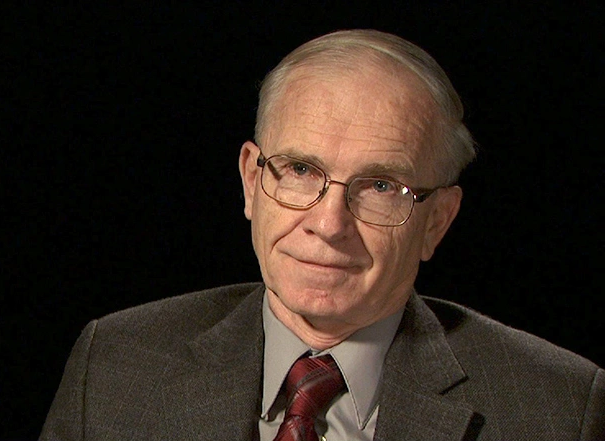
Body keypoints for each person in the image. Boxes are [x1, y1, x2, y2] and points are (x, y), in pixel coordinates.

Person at [40, 29, 604, 441]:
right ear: (250, 181)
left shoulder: (557, 409)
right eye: (302, 171)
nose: (329, 224)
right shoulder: (115, 367)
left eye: (380, 185)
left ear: (437, 221)